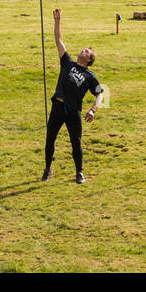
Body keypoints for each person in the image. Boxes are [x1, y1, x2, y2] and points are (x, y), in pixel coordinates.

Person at [43, 9, 103, 183]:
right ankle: (47, 169)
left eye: (85, 51)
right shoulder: (67, 62)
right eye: (83, 50)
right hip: (58, 106)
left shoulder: (90, 76)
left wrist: (93, 110)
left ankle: (79, 172)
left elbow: (101, 93)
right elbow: (58, 40)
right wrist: (57, 22)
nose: (82, 51)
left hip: (73, 111)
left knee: (75, 142)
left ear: (89, 59)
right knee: (50, 137)